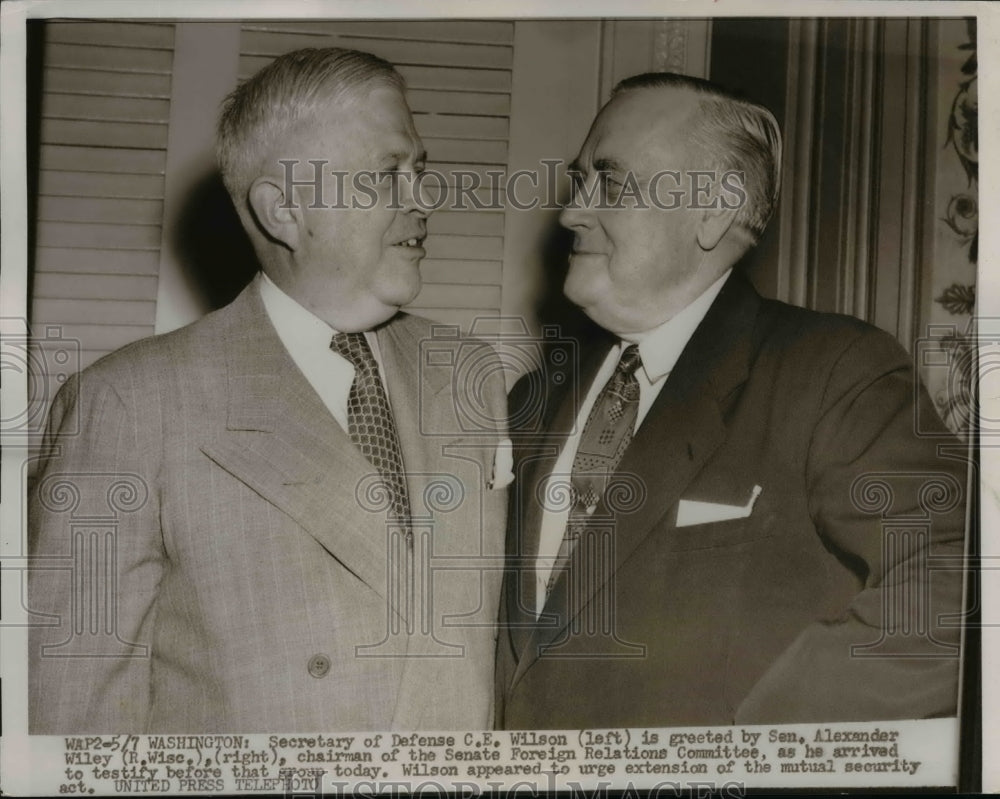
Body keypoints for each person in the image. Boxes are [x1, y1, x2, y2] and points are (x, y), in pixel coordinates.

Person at [29, 48, 508, 732]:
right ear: (283, 210)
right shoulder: (131, 403)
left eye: (420, 170)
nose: (424, 200)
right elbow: (73, 716)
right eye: (385, 175)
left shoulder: (472, 372)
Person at [496, 72, 967, 728]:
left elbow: (963, 581)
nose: (573, 210)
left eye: (610, 180)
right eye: (580, 181)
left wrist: (762, 748)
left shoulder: (831, 372)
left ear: (715, 208)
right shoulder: (535, 398)